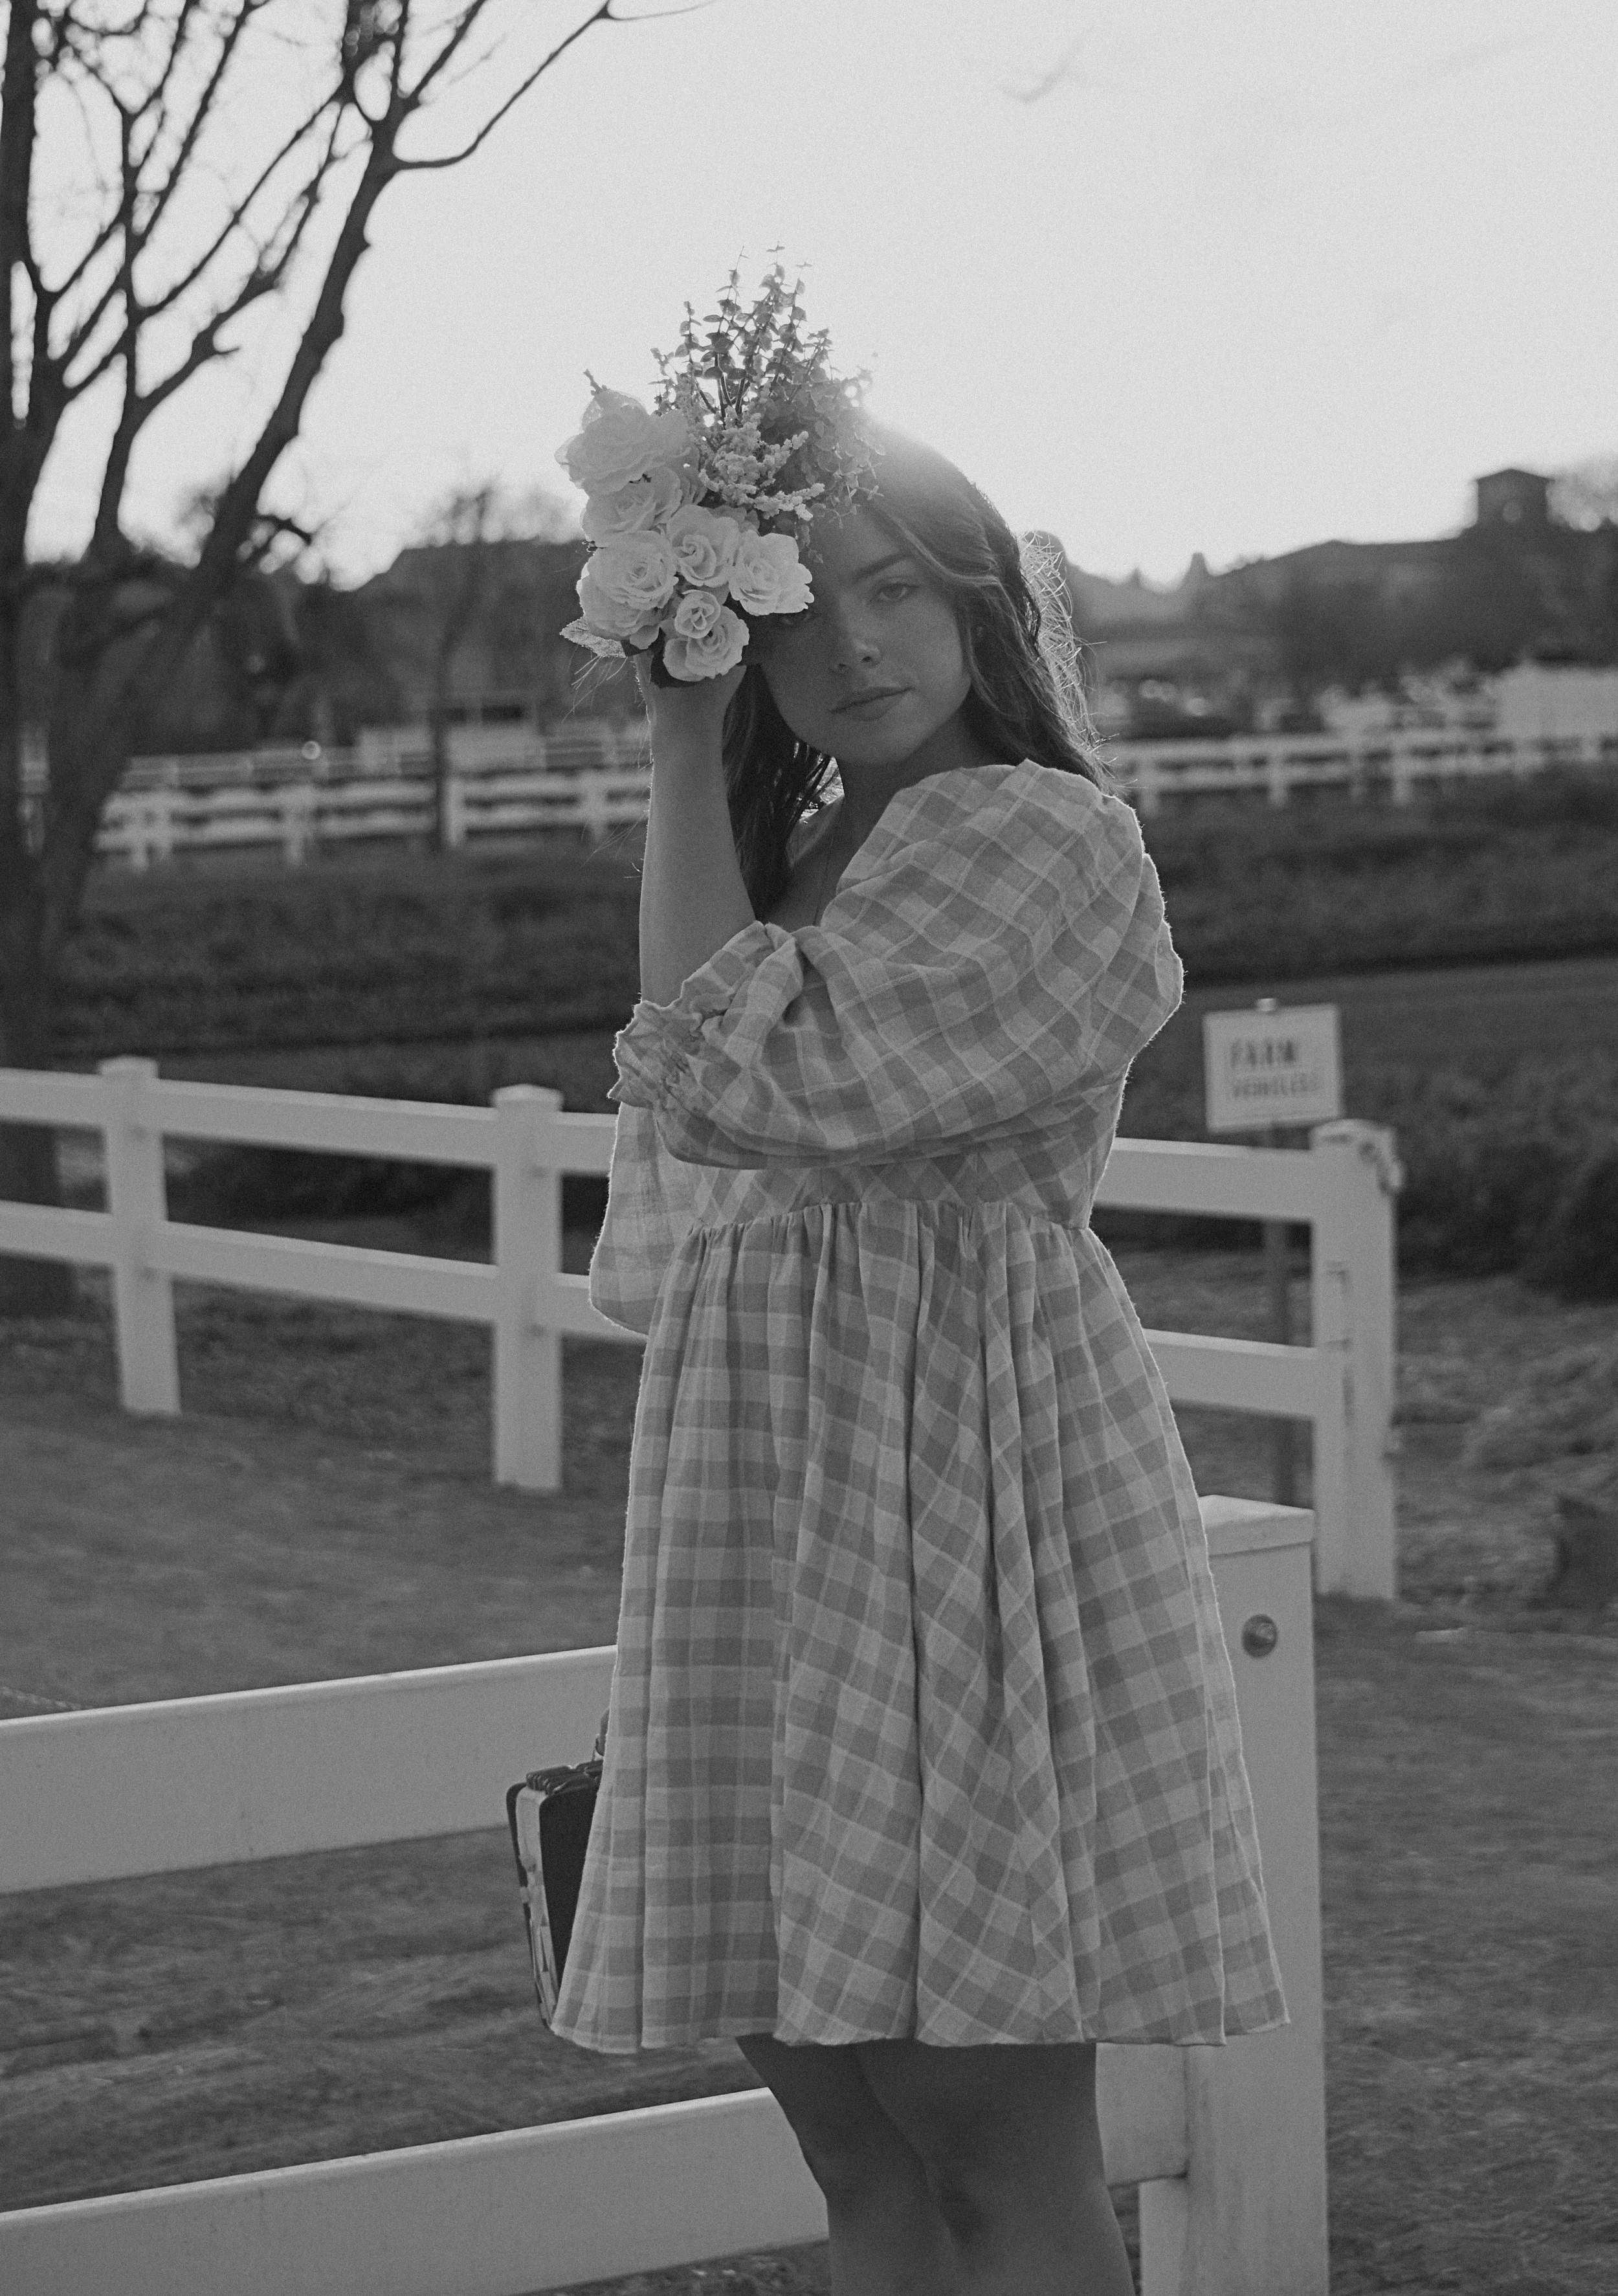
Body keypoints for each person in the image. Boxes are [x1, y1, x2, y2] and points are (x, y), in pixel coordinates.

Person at [550, 424, 1287, 2296]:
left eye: (901, 588)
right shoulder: (789, 856)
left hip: (958, 1481)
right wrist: (682, 742)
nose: (858, 647)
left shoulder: (1043, 841)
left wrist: (667, 753)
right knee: (852, 2148)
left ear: (979, 606)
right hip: (763, 1493)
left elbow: (733, 1080)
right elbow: (665, 1228)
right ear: (737, 632)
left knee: (982, 2140)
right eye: (803, 604)